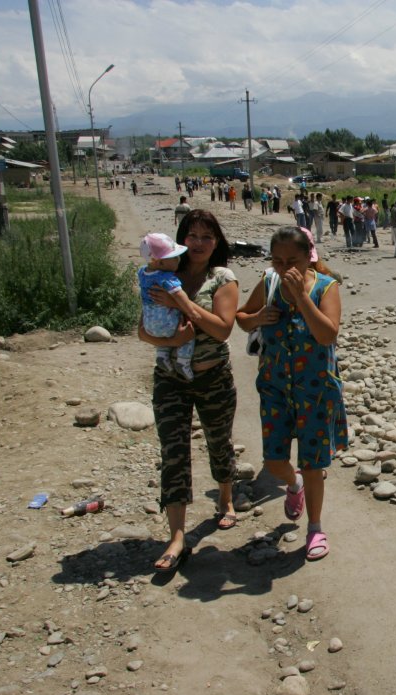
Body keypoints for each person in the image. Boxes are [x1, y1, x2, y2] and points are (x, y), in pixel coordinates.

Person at [235, 227, 347, 561]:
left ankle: (315, 529)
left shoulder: (326, 287)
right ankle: (293, 486)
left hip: (315, 390)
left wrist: (300, 297)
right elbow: (241, 318)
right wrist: (256, 317)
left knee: (313, 464)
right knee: (274, 460)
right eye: (278, 261)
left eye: (293, 261)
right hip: (275, 389)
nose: (286, 269)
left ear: (308, 257)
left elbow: (328, 335)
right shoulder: (269, 282)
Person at [138, 210, 240, 572]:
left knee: (219, 440)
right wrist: (174, 338)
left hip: (212, 376)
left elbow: (223, 330)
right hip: (170, 378)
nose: (199, 244)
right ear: (181, 240)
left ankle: (225, 499)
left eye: (207, 237)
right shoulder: (164, 274)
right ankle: (177, 536)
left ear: (217, 243)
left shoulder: (222, 278)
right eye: (192, 236)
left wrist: (182, 304)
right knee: (174, 451)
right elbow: (142, 330)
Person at [138, 232, 198, 379]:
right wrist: (191, 311)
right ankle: (183, 362)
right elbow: (178, 294)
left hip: (148, 322)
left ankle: (162, 355)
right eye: (174, 257)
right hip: (166, 321)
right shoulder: (166, 277)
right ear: (161, 263)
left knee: (162, 337)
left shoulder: (142, 272)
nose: (178, 260)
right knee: (188, 335)